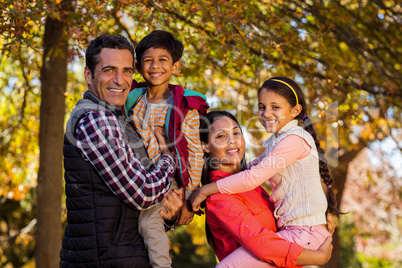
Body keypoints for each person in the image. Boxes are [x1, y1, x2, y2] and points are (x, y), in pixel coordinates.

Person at [60, 34, 183, 267]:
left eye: (127, 71)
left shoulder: (118, 118)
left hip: (120, 255)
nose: (120, 80)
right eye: (109, 70)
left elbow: (128, 202)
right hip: (106, 260)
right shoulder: (96, 120)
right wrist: (168, 159)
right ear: (89, 74)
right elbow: (144, 193)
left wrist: (167, 211)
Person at [192, 77, 342, 266]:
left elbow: (252, 174)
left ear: (295, 110)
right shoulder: (222, 195)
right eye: (262, 107)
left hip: (304, 232)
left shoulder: (293, 140)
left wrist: (204, 190)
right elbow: (254, 169)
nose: (233, 141)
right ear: (205, 146)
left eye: (237, 133)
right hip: (297, 236)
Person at [121, 30, 209, 268]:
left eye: (163, 60)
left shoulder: (183, 106)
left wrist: (191, 198)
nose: (155, 66)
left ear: (175, 66)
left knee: (149, 223)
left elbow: (195, 152)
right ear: (139, 67)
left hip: (171, 179)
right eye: (148, 60)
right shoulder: (134, 100)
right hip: (140, 176)